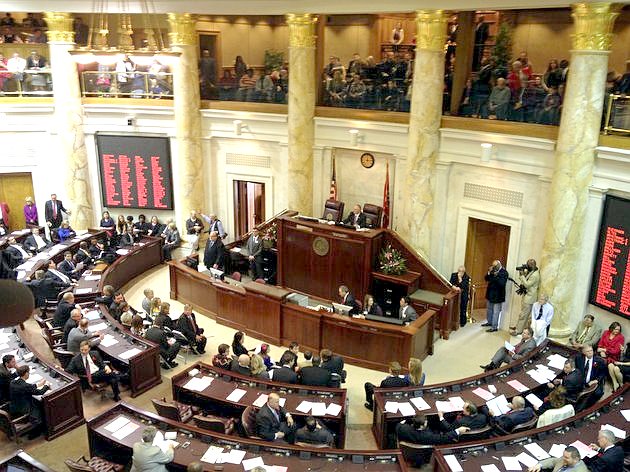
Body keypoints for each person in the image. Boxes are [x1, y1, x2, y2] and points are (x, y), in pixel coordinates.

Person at [9, 365, 50, 436]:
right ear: (26, 373)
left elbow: (27, 388)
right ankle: (38, 431)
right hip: (25, 408)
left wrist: (38, 384)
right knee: (42, 407)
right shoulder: (25, 386)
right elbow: (39, 392)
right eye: (29, 372)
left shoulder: (13, 382)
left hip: (15, 406)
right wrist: (47, 385)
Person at [510, 259, 540, 335]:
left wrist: (522, 275)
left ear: (532, 265)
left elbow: (527, 284)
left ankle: (518, 331)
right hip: (526, 295)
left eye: (528, 265)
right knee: (523, 313)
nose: (527, 266)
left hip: (530, 297)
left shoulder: (535, 275)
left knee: (524, 314)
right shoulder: (531, 272)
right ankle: (519, 327)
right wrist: (523, 274)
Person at [396, 414, 468, 445]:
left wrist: (405, 421)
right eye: (426, 422)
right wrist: (457, 431)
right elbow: (444, 437)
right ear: (422, 425)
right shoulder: (430, 436)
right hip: (425, 454)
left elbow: (398, 425)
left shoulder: (403, 428)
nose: (427, 422)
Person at [482, 260, 508, 332]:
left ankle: (494, 327)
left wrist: (496, 275)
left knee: (496, 311)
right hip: (490, 294)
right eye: (493, 266)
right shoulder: (492, 271)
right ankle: (489, 322)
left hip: (498, 296)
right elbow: (486, 279)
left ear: (499, 265)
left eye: (495, 266)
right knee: (489, 310)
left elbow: (501, 284)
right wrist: (489, 272)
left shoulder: (504, 272)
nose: (494, 267)